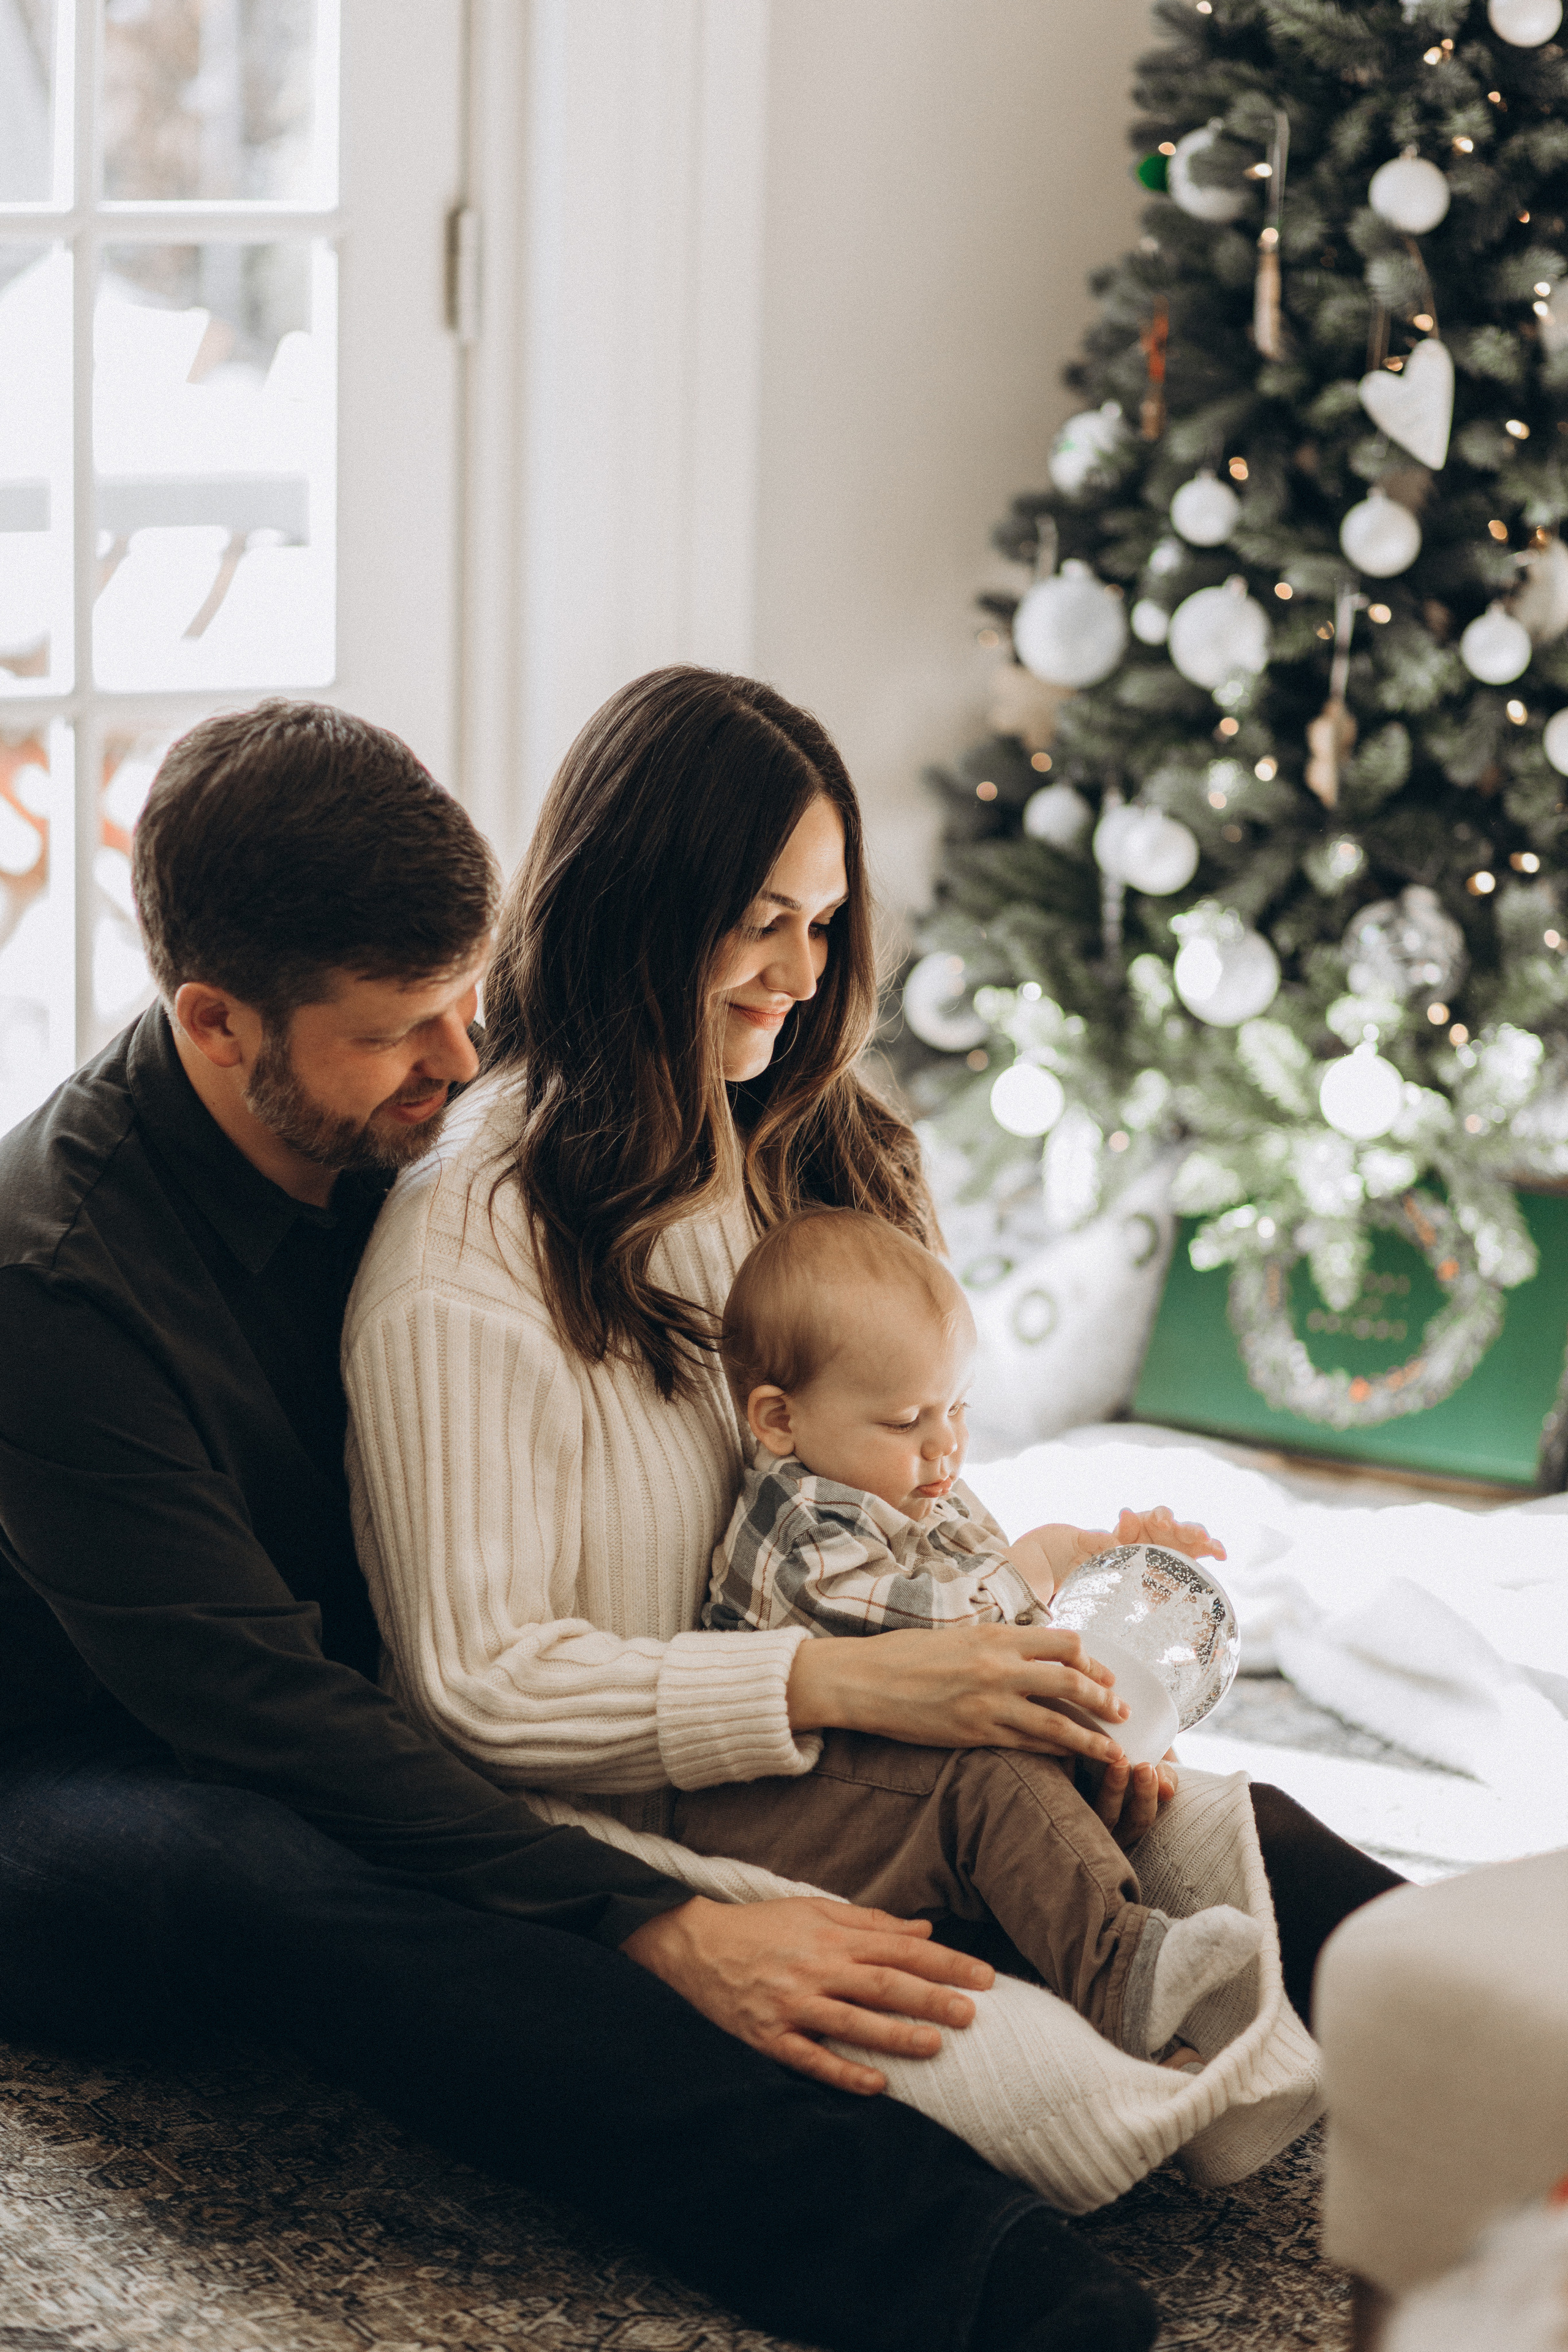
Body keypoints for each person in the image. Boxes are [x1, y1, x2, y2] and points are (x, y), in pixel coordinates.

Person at [0, 700, 1166, 2352]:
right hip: (81, 1758)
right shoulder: (55, 1282)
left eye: (468, 1002)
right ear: (212, 1024)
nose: (461, 1061)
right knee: (271, 1863)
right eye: (404, 1029)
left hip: (364, 1685)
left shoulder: (416, 1152)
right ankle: (965, 2279)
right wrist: (648, 1918)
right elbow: (260, 1716)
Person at [343, 663, 1402, 2199]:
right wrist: (867, 1686)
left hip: (852, 1750)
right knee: (1065, 2105)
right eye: (757, 917)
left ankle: (1510, 2034)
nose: (795, 968)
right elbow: (478, 1686)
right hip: (634, 1829)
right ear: (636, 907)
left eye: (823, 919)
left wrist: (1041, 1626)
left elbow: (873, 1517)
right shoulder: (466, 1254)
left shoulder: (794, 1140)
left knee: (1235, 1839)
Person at [682, 1202, 1263, 2064]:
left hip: (874, 1782)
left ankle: (1100, 1973)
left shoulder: (920, 1489)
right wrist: (1038, 1564)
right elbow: (940, 1633)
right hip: (775, 1808)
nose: (944, 1448)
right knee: (992, 1775)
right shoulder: (799, 1516)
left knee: (1057, 1753)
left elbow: (1013, 1610)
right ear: (779, 1421)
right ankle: (1117, 1969)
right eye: (905, 1420)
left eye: (957, 1408)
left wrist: (1112, 1557)